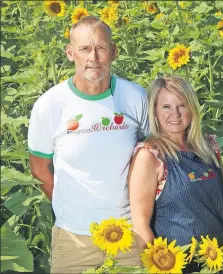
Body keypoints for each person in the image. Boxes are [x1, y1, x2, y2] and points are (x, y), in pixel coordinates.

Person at [27, 16, 148, 273]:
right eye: (84, 49)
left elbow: (154, 159)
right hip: (74, 237)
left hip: (129, 231)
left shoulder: (135, 97)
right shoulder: (50, 105)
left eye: (101, 48)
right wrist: (69, 206)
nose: (93, 57)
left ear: (114, 51)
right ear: (70, 53)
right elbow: (39, 168)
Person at [129, 75, 223, 272]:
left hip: (222, 258)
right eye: (166, 107)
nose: (175, 114)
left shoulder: (209, 146)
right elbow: (141, 226)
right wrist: (160, 267)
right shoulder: (150, 155)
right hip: (180, 264)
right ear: (154, 110)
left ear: (192, 108)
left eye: (182, 105)